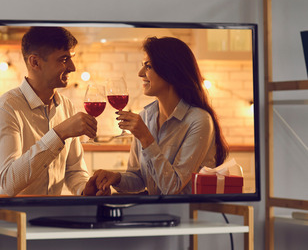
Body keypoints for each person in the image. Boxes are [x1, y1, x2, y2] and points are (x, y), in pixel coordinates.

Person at [89, 36, 229, 195]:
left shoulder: (199, 120)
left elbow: (172, 187)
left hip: (190, 214)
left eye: (148, 66)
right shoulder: (146, 116)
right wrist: (116, 178)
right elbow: (140, 179)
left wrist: (146, 138)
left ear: (170, 71)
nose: (140, 73)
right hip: (157, 213)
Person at [0, 26, 99, 196]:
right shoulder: (6, 108)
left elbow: (74, 171)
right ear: (35, 62)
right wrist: (59, 134)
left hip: (54, 214)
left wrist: (85, 188)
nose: (73, 67)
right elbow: (8, 182)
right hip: (15, 218)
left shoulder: (67, 107)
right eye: (64, 59)